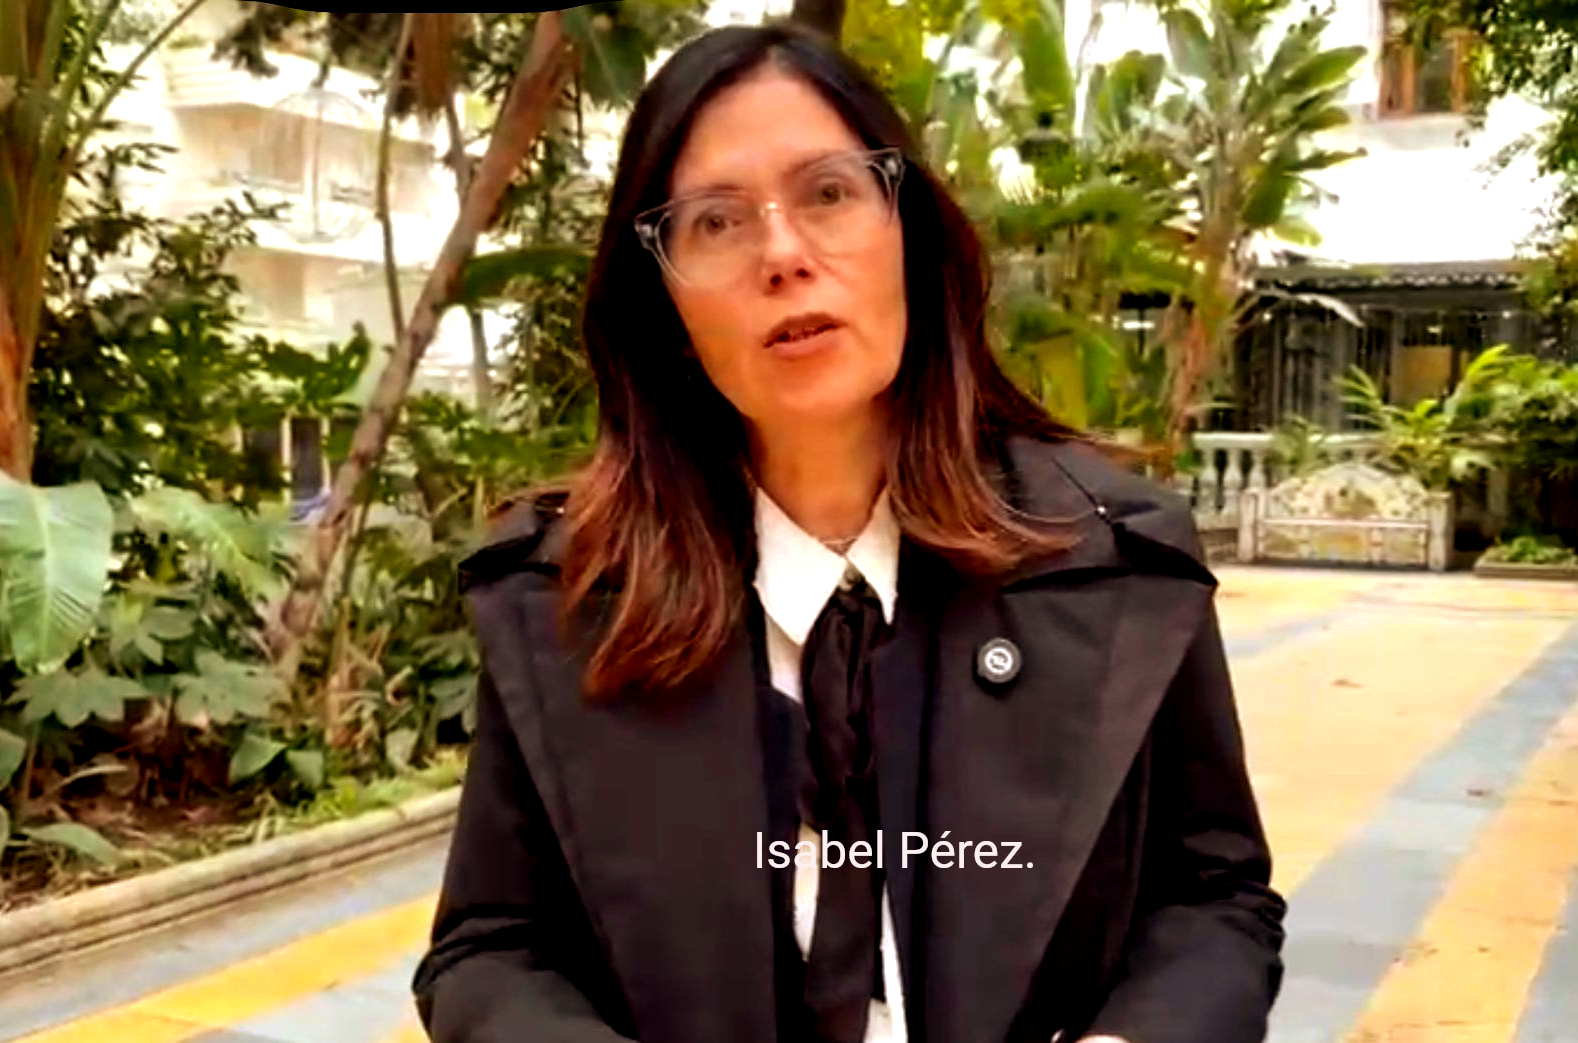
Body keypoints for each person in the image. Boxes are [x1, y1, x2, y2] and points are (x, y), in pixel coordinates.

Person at [411, 22, 1285, 1043]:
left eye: (828, 192)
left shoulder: (1112, 557)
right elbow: (491, 945)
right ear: (665, 301)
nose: (783, 254)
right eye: (715, 221)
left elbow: (1214, 896)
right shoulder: (570, 596)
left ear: (906, 227)